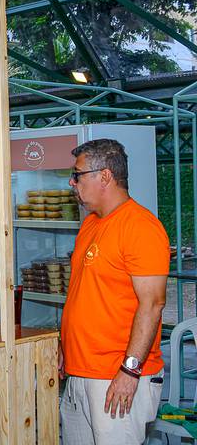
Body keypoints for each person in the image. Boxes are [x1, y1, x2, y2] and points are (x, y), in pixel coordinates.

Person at [60, 139, 169, 444]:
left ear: (105, 176)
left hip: (115, 375)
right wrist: (65, 345)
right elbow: (83, 293)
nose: (72, 182)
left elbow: (153, 304)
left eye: (78, 174)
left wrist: (130, 370)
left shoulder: (140, 227)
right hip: (80, 371)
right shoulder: (90, 225)